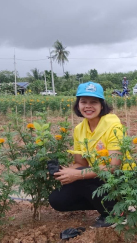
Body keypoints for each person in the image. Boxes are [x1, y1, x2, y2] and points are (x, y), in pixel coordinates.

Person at [49, 81, 123, 228]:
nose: (88, 106)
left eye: (93, 102)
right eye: (83, 102)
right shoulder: (79, 129)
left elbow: (114, 167)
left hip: (119, 179)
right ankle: (108, 205)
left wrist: (76, 174)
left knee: (82, 177)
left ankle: (115, 212)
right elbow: (81, 164)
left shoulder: (113, 125)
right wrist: (63, 172)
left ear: (102, 105)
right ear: (78, 105)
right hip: (96, 176)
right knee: (57, 199)